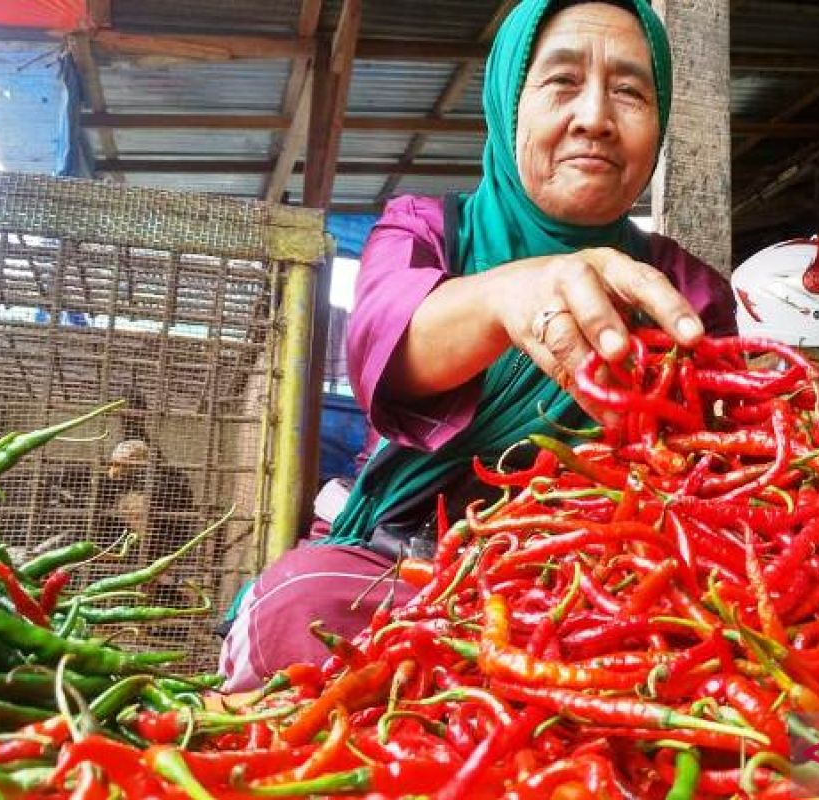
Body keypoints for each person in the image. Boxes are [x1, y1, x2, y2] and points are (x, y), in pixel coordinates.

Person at [218, 0, 735, 690]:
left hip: (604, 587)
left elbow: (715, 476)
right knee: (305, 608)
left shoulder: (683, 291)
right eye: (560, 82)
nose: (595, 118)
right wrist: (506, 297)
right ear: (508, 103)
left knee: (698, 651)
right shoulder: (429, 230)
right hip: (406, 563)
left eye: (630, 91)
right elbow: (385, 348)